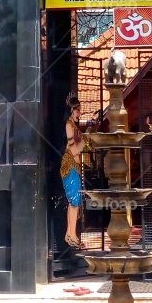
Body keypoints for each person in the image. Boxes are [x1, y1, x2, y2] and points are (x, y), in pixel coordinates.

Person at [60, 92, 87, 249]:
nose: (79, 113)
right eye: (78, 110)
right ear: (71, 110)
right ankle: (72, 235)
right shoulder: (69, 125)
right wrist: (85, 141)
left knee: (74, 202)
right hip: (70, 166)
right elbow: (74, 150)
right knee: (74, 201)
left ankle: (70, 233)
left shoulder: (74, 126)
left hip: (75, 167)